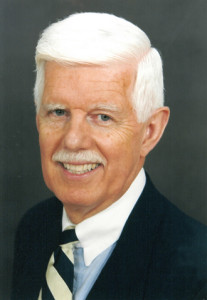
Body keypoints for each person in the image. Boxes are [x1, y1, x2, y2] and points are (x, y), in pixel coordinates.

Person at [11, 12, 207, 300]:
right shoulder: (35, 227)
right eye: (58, 112)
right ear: (39, 118)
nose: (74, 140)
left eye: (102, 116)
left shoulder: (197, 273)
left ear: (150, 131)